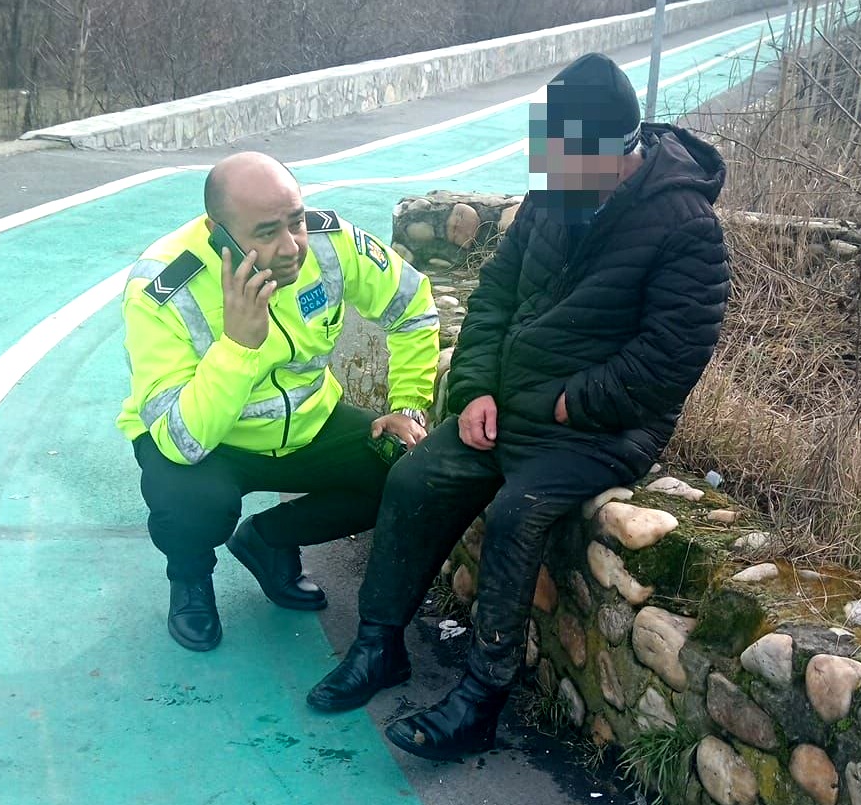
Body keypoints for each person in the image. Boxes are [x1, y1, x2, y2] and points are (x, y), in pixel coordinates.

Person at [305, 53, 731, 761]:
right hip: (509, 404)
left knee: (516, 514)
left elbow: (670, 359)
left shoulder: (686, 226)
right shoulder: (553, 193)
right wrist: (473, 388)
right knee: (415, 477)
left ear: (616, 152)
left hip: (598, 427)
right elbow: (494, 296)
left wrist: (569, 403)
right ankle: (379, 646)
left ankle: (481, 696)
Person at [116, 152, 439, 652]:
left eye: (296, 221)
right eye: (266, 233)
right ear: (217, 232)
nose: (291, 247)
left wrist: (408, 405)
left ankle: (268, 541)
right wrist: (239, 346)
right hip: (210, 441)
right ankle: (190, 578)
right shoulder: (164, 289)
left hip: (308, 423)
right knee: (191, 503)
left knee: (405, 472)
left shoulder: (330, 242)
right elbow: (181, 440)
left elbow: (412, 305)